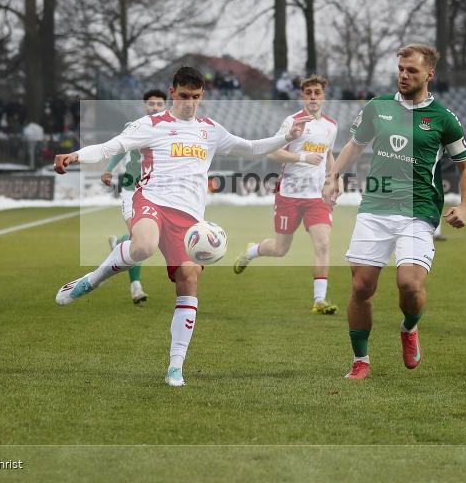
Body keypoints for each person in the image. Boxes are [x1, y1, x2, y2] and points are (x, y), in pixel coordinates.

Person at [52, 66, 311, 387]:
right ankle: (91, 280)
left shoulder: (211, 129)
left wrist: (286, 137)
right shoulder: (151, 124)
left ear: (203, 97)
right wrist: (73, 156)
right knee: (143, 245)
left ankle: (175, 366)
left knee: (188, 280)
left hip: (188, 221)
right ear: (172, 93)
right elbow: (110, 148)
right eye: (184, 96)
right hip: (151, 201)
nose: (190, 103)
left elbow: (251, 147)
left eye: (196, 97)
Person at [322, 44, 466, 380]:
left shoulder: (443, 119)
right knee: (362, 287)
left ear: (429, 75)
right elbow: (355, 145)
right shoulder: (378, 108)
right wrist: (333, 176)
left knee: (409, 284)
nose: (404, 76)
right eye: (401, 70)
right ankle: (361, 360)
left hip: (418, 209)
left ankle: (409, 327)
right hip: (376, 206)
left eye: (412, 71)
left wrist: (465, 206)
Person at [233, 75, 339, 314]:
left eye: (317, 92)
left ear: (323, 96)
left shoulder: (331, 125)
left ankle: (319, 300)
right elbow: (273, 153)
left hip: (316, 198)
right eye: (308, 92)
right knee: (281, 250)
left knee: (323, 243)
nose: (313, 97)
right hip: (289, 195)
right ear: (302, 96)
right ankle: (252, 251)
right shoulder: (292, 122)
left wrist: (334, 178)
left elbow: (329, 153)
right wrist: (302, 157)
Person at [100, 89, 168, 305]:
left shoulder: (171, 129)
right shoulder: (135, 126)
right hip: (131, 189)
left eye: (159, 104)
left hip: (155, 191)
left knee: (145, 241)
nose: (155, 108)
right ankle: (135, 287)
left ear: (165, 106)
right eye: (151, 104)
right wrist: (109, 169)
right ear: (144, 106)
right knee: (139, 240)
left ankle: (117, 244)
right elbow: (120, 150)